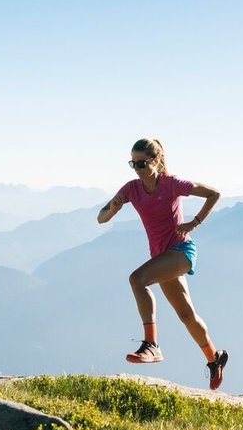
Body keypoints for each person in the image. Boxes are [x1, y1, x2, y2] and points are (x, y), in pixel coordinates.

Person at [97, 138, 229, 390]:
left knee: (138, 279)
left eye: (142, 163)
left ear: (156, 160)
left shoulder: (172, 184)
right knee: (187, 315)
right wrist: (112, 209)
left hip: (181, 252)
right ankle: (215, 359)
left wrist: (194, 223)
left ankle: (151, 345)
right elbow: (100, 218)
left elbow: (214, 193)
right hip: (162, 257)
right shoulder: (131, 188)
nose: (137, 169)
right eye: (132, 164)